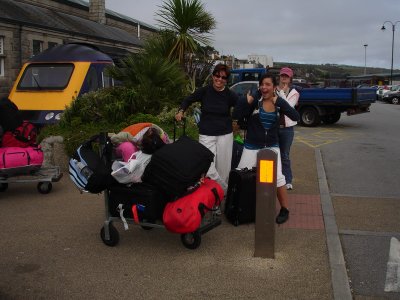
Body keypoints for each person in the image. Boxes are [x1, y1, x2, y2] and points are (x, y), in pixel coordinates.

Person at [233, 73, 300, 224]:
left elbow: (296, 116)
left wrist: (281, 103)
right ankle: (241, 208)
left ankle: (284, 209)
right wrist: (249, 99)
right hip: (251, 145)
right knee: (242, 175)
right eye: (262, 84)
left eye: (268, 84)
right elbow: (237, 114)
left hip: (271, 146)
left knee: (277, 178)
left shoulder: (279, 103)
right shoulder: (255, 102)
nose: (264, 87)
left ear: (274, 87)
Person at [175, 64, 239, 194]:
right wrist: (181, 111)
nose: (219, 79)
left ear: (227, 80)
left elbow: (241, 106)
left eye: (223, 77)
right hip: (206, 134)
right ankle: (223, 190)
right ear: (213, 76)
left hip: (225, 134)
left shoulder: (230, 95)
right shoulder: (204, 91)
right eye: (217, 76)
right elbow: (188, 100)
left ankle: (219, 198)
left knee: (223, 167)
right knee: (207, 166)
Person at [276, 67, 300, 190]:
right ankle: (276, 179)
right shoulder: (273, 90)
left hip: (287, 129)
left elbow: (288, 109)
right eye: (282, 75)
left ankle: (287, 180)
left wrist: (281, 94)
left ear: (290, 78)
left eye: (287, 76)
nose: (284, 78)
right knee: (273, 154)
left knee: (284, 155)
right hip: (274, 128)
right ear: (279, 76)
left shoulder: (294, 93)